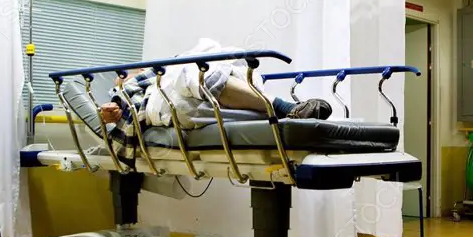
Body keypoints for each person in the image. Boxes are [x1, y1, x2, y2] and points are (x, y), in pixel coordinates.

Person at [98, 60, 331, 164]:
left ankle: (283, 109)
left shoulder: (159, 73)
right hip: (166, 104)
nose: (129, 75)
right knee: (184, 103)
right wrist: (108, 114)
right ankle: (285, 109)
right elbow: (115, 131)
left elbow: (168, 72)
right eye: (123, 75)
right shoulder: (122, 97)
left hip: (188, 90)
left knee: (193, 72)